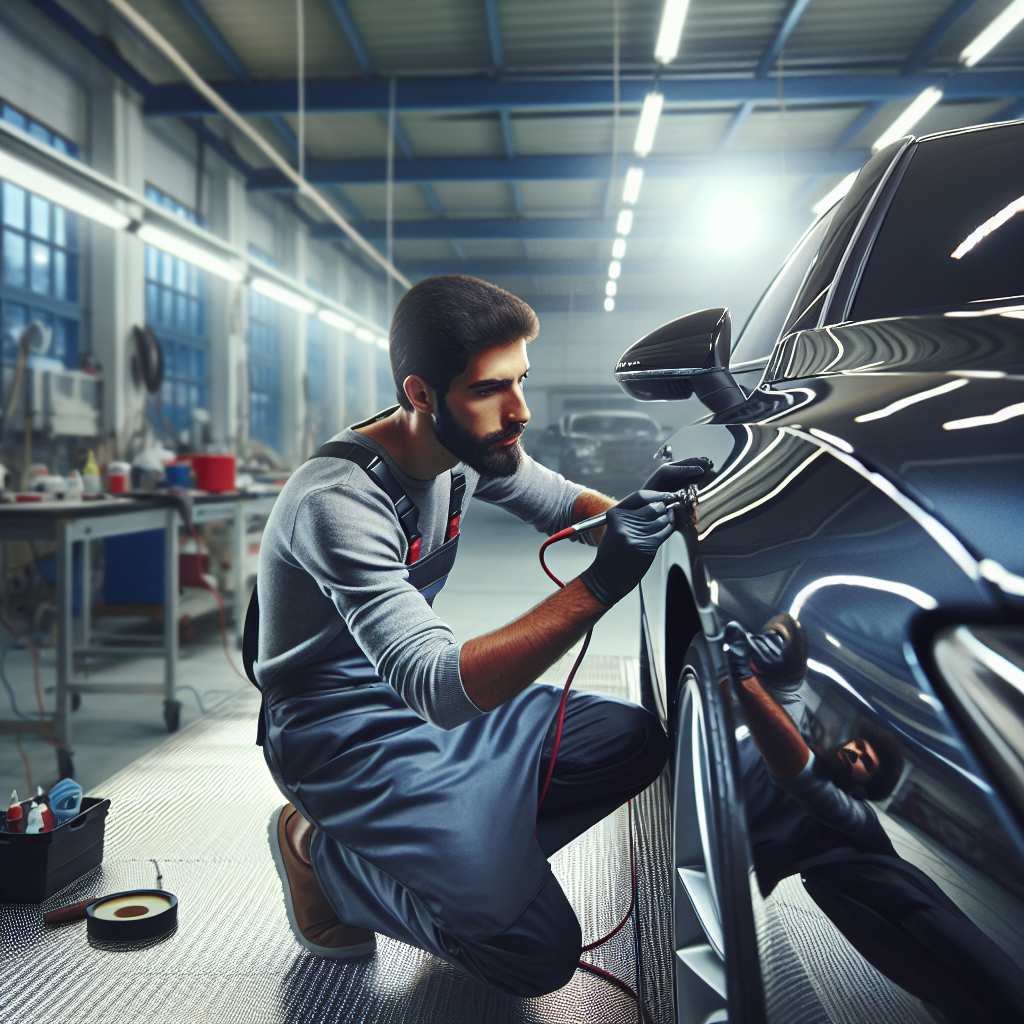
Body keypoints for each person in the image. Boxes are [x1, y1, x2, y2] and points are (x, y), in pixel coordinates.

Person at [251, 274, 709, 997]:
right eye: (492, 388)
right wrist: (600, 585)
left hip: (426, 710)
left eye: (521, 381)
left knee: (636, 743)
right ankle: (324, 856)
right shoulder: (337, 501)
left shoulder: (461, 452)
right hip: (341, 738)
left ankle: (470, 869)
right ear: (422, 393)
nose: (519, 411)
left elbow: (558, 500)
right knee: (535, 957)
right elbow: (439, 687)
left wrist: (629, 514)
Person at [725, 615, 1024, 1022]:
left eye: (866, 761)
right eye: (859, 745)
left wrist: (744, 675)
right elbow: (787, 689)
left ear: (864, 790)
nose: (855, 753)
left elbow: (802, 777)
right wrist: (776, 647)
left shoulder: (854, 816)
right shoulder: (802, 733)